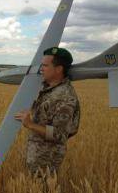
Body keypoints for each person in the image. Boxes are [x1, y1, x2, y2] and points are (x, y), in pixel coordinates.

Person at [14, 47, 80, 177]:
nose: (41, 69)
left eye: (45, 65)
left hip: (47, 160)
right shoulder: (47, 88)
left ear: (59, 69)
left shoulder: (65, 97)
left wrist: (30, 124)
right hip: (36, 154)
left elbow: (60, 135)